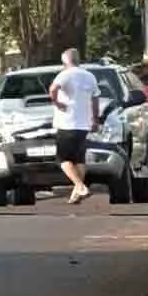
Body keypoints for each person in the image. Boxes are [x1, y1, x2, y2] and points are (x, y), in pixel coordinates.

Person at [48, 48, 100, 204]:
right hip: (83, 124)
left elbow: (52, 89)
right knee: (79, 160)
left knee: (63, 159)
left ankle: (80, 186)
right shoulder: (89, 76)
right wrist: (95, 119)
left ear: (65, 61)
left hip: (66, 123)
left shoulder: (65, 74)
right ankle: (76, 193)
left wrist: (57, 102)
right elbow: (95, 98)